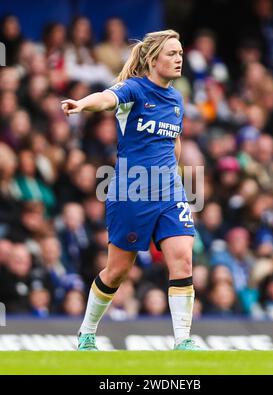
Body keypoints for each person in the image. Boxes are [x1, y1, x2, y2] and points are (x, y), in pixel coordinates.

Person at [62, 29, 200, 351]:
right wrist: (82, 104)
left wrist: (175, 178)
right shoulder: (135, 89)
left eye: (180, 53)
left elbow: (174, 142)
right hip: (132, 191)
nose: (179, 59)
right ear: (153, 59)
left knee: (183, 260)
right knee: (117, 271)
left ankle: (184, 341)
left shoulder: (177, 100)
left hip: (169, 192)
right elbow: (107, 98)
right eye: (171, 54)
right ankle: (86, 333)